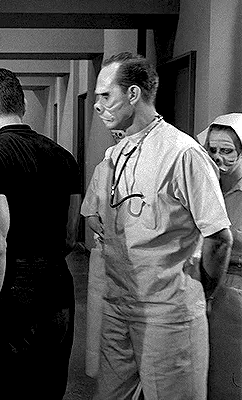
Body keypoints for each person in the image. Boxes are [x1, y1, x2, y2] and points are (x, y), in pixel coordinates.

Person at [81, 51, 233, 400]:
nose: (97, 105)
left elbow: (219, 237)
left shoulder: (182, 153)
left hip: (168, 313)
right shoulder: (115, 154)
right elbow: (98, 214)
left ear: (133, 94)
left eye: (106, 95)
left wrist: (203, 294)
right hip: (119, 307)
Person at [0, 68, 81, 399]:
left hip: (13, 295)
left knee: (9, 391)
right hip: (58, 288)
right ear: (24, 106)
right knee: (50, 389)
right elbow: (71, 235)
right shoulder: (65, 158)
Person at [205, 113, 242, 399]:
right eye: (213, 149)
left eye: (227, 151)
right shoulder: (208, 185)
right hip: (207, 282)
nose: (218, 157)